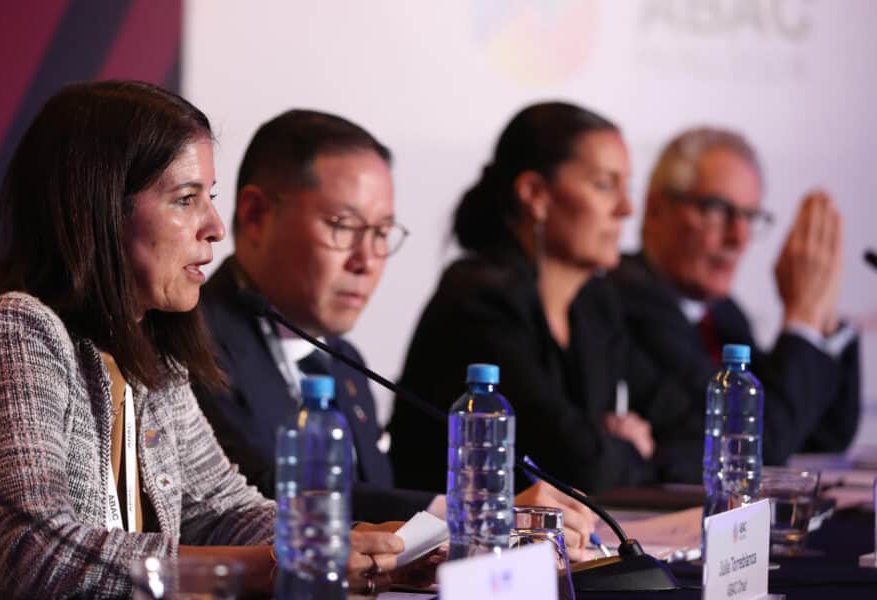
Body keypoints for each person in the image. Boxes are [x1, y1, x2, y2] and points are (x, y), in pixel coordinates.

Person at [0, 81, 413, 598]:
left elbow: (222, 510)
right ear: (102, 210)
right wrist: (276, 567)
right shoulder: (12, 333)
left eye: (210, 197)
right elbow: (42, 559)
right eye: (185, 199)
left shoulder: (149, 350)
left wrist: (376, 546)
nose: (214, 227)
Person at [192, 108, 599, 558]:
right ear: (254, 216)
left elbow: (370, 509)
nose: (367, 261)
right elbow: (263, 494)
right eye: (343, 227)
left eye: (382, 233)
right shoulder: (193, 342)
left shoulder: (344, 361)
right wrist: (468, 511)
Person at [389, 102, 699, 495]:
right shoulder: (480, 300)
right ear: (536, 194)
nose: (626, 208)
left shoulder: (594, 302)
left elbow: (692, 423)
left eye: (627, 188)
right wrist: (623, 447)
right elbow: (575, 465)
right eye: (605, 185)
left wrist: (634, 449)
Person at [610, 127, 860, 465]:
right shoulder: (626, 299)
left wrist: (821, 318)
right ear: (655, 209)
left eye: (749, 216)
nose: (739, 238)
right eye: (717, 209)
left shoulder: (725, 313)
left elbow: (821, 436)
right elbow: (753, 446)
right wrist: (801, 319)